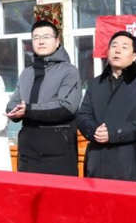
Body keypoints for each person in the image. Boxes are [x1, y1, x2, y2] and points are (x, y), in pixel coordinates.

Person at [76, 31, 136, 182]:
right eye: (114, 46)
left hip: (130, 164)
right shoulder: (95, 84)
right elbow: (83, 115)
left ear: (134, 56)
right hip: (97, 162)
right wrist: (94, 130)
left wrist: (114, 133)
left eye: (124, 47)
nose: (117, 50)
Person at [6, 20, 81, 175]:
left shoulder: (69, 71)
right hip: (28, 150)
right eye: (36, 37)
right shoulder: (27, 73)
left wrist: (28, 110)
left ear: (57, 41)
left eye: (46, 37)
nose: (40, 41)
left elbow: (67, 107)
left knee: (57, 190)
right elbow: (14, 102)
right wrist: (13, 111)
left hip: (57, 149)